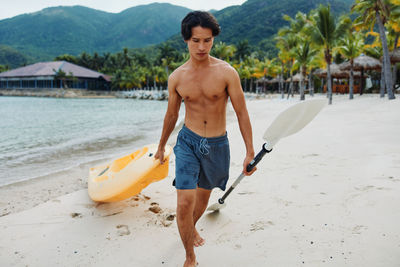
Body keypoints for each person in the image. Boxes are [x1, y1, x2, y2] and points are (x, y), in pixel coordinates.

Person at [155, 11, 256, 267]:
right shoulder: (177, 77)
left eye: (207, 40)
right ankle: (190, 257)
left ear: (213, 40)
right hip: (188, 142)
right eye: (196, 40)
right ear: (186, 40)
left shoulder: (226, 72)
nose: (202, 47)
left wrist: (249, 151)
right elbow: (171, 114)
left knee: (201, 201)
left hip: (216, 146)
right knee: (184, 203)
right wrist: (160, 147)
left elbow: (242, 112)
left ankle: (192, 229)